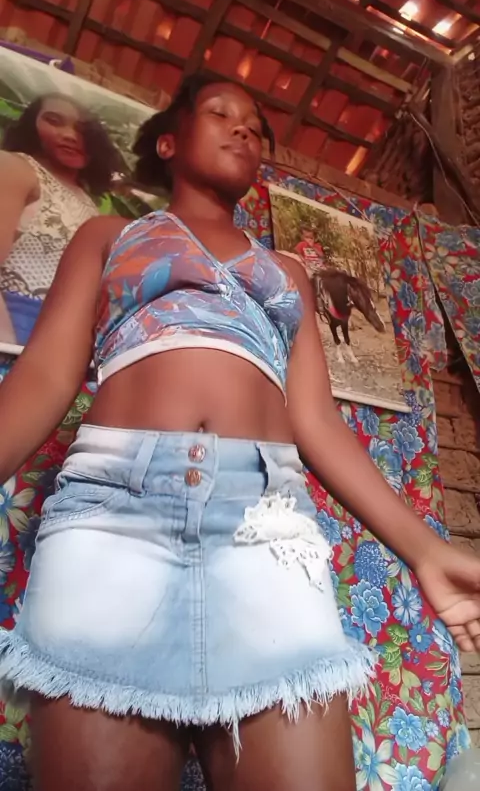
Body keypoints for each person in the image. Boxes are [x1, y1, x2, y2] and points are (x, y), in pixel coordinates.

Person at [0, 75, 477, 791]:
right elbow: (43, 376)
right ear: (168, 141)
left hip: (268, 528)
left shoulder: (287, 272)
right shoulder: (110, 236)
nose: (243, 127)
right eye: (219, 112)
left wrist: (427, 551)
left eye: (254, 123)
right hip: (111, 519)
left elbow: (315, 421)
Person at [0, 93, 122, 345]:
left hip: (59, 341)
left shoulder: (89, 203)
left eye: (83, 128)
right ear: (32, 124)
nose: (70, 135)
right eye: (54, 121)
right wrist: (7, 344)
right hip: (11, 329)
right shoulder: (15, 168)